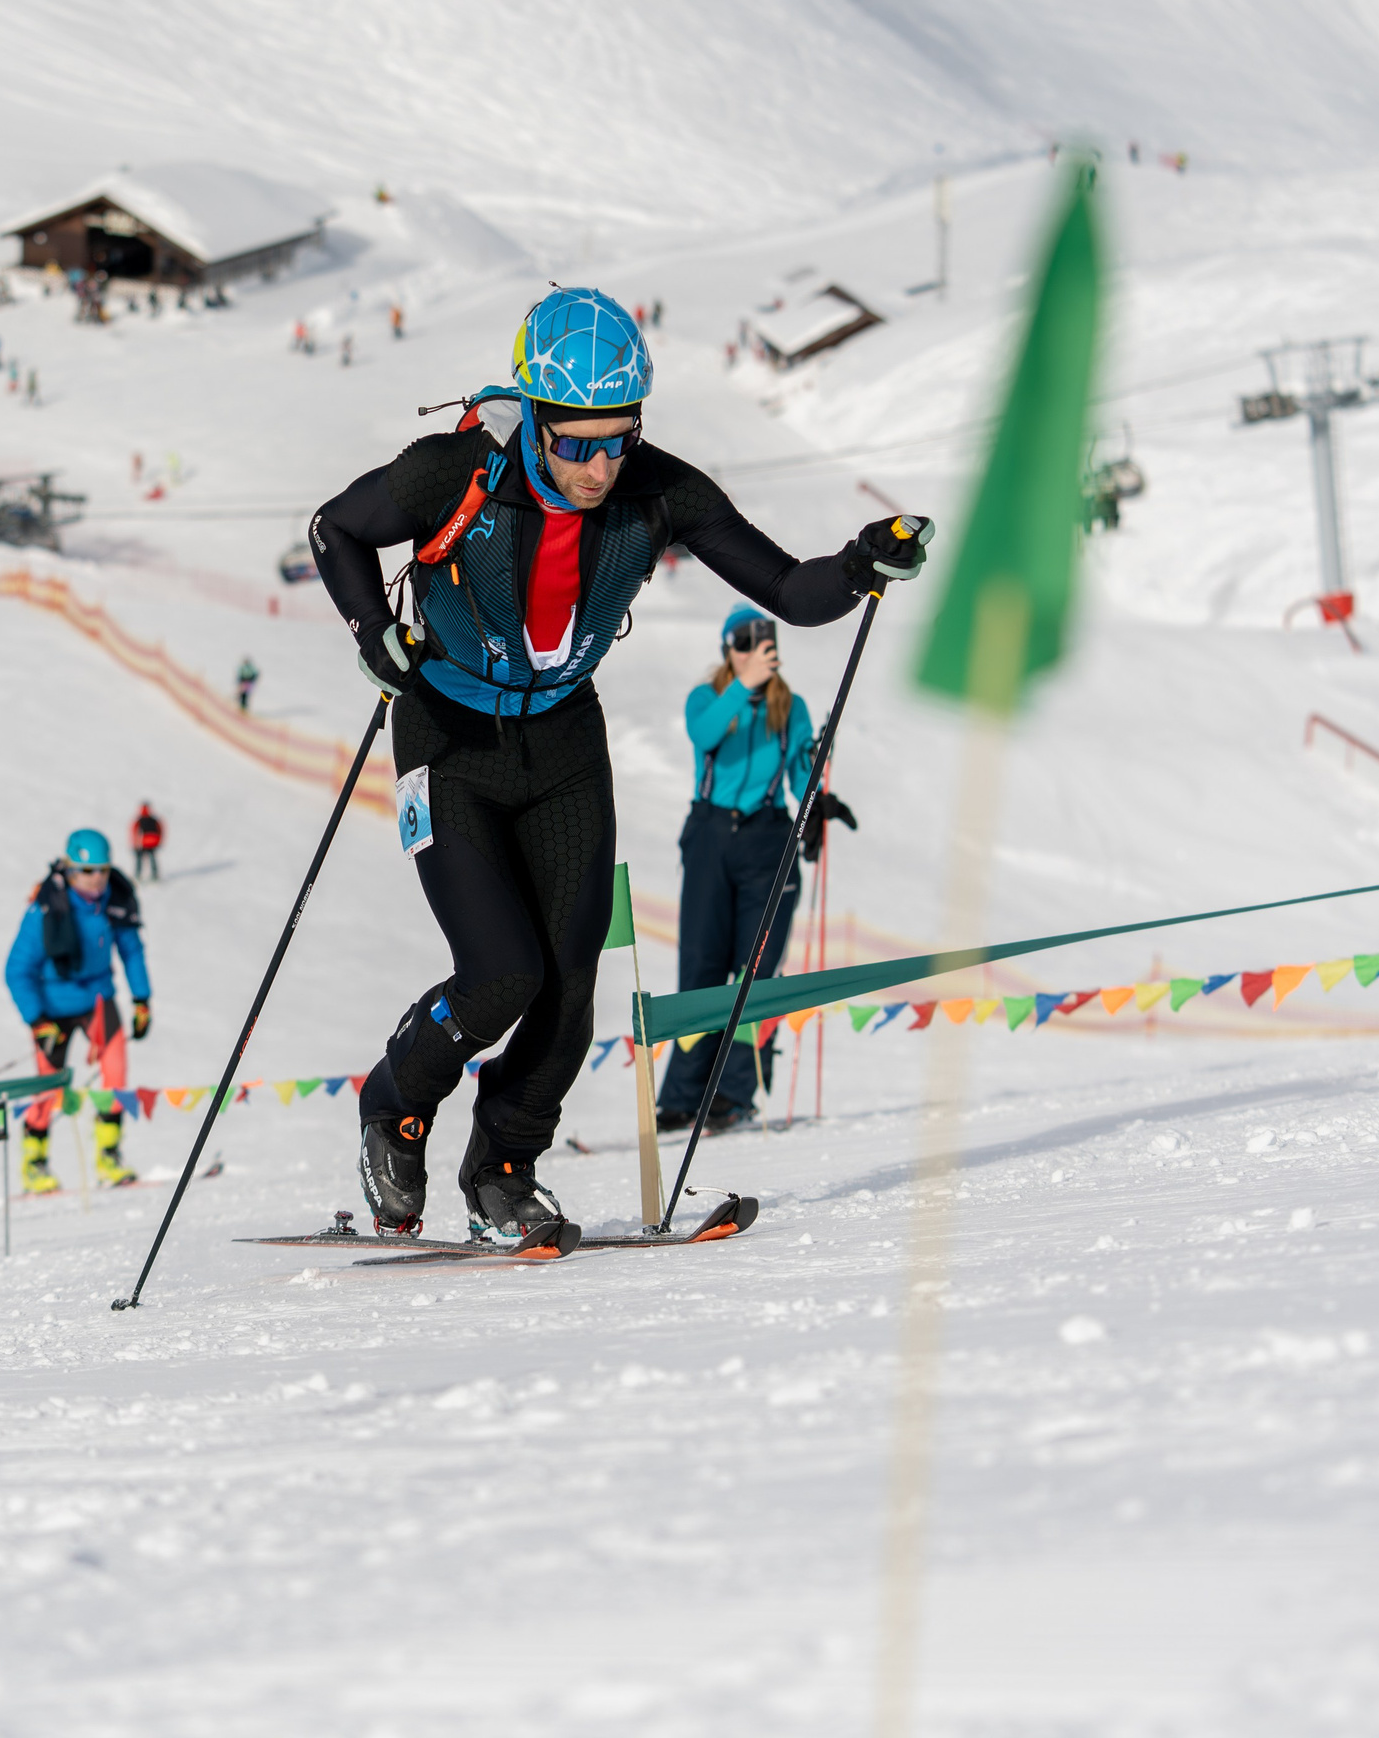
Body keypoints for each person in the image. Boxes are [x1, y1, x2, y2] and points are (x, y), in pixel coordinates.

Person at [309, 288, 929, 1245]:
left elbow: (793, 594)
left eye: (620, 439)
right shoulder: (455, 472)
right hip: (449, 740)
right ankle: (394, 1105)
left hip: (563, 745)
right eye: (578, 443)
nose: (601, 466)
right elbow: (334, 530)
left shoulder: (661, 490)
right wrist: (372, 633)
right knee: (499, 976)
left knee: (568, 992)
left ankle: (504, 1171)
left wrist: (861, 563)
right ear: (536, 423)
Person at [653, 606, 856, 1132]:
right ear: (728, 650)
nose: (752, 650)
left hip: (768, 840)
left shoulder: (792, 708)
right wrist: (744, 686)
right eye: (742, 642)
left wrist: (816, 805)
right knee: (700, 966)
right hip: (710, 836)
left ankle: (734, 1091)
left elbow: (799, 775)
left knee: (755, 970)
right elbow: (705, 735)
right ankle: (681, 1095)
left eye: (760, 641)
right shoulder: (710, 699)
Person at [3, 829, 154, 1192]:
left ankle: (109, 1157)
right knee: (48, 1087)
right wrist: (37, 1020)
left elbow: (131, 949)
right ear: (70, 871)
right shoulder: (45, 909)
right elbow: (17, 971)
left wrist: (141, 999)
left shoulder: (116, 899)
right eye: (87, 871)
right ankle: (34, 1165)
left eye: (102, 869)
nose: (97, 878)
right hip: (52, 1009)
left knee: (116, 1073)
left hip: (99, 1001)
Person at [131, 802, 165, 881]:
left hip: (143, 843)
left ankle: (137, 875)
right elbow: (160, 830)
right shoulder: (154, 820)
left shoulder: (139, 820)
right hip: (153, 842)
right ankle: (155, 874)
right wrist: (159, 841)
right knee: (152, 858)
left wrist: (135, 844)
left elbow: (134, 832)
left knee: (139, 859)